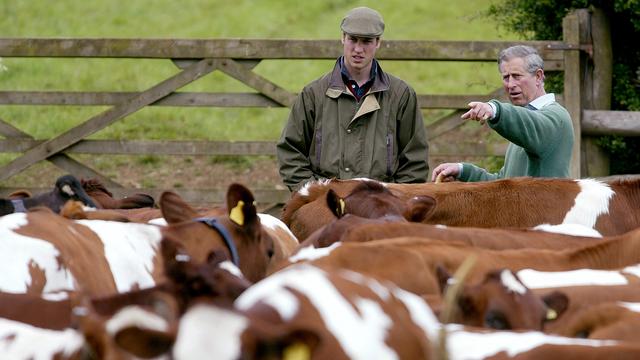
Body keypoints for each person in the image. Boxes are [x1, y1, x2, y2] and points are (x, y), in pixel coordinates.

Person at [276, 6, 429, 191]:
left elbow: (415, 161)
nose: (358, 49)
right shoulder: (313, 94)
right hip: (325, 204)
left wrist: (392, 201)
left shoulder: (401, 95)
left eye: (366, 41)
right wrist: (315, 196)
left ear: (378, 42)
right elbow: (291, 152)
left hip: (381, 206)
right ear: (342, 38)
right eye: (352, 40)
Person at [431, 45, 574, 182]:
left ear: (538, 76)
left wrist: (495, 110)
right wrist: (462, 170)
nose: (510, 84)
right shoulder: (524, 122)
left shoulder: (556, 117)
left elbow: (531, 123)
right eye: (506, 77)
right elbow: (504, 183)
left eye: (517, 76)